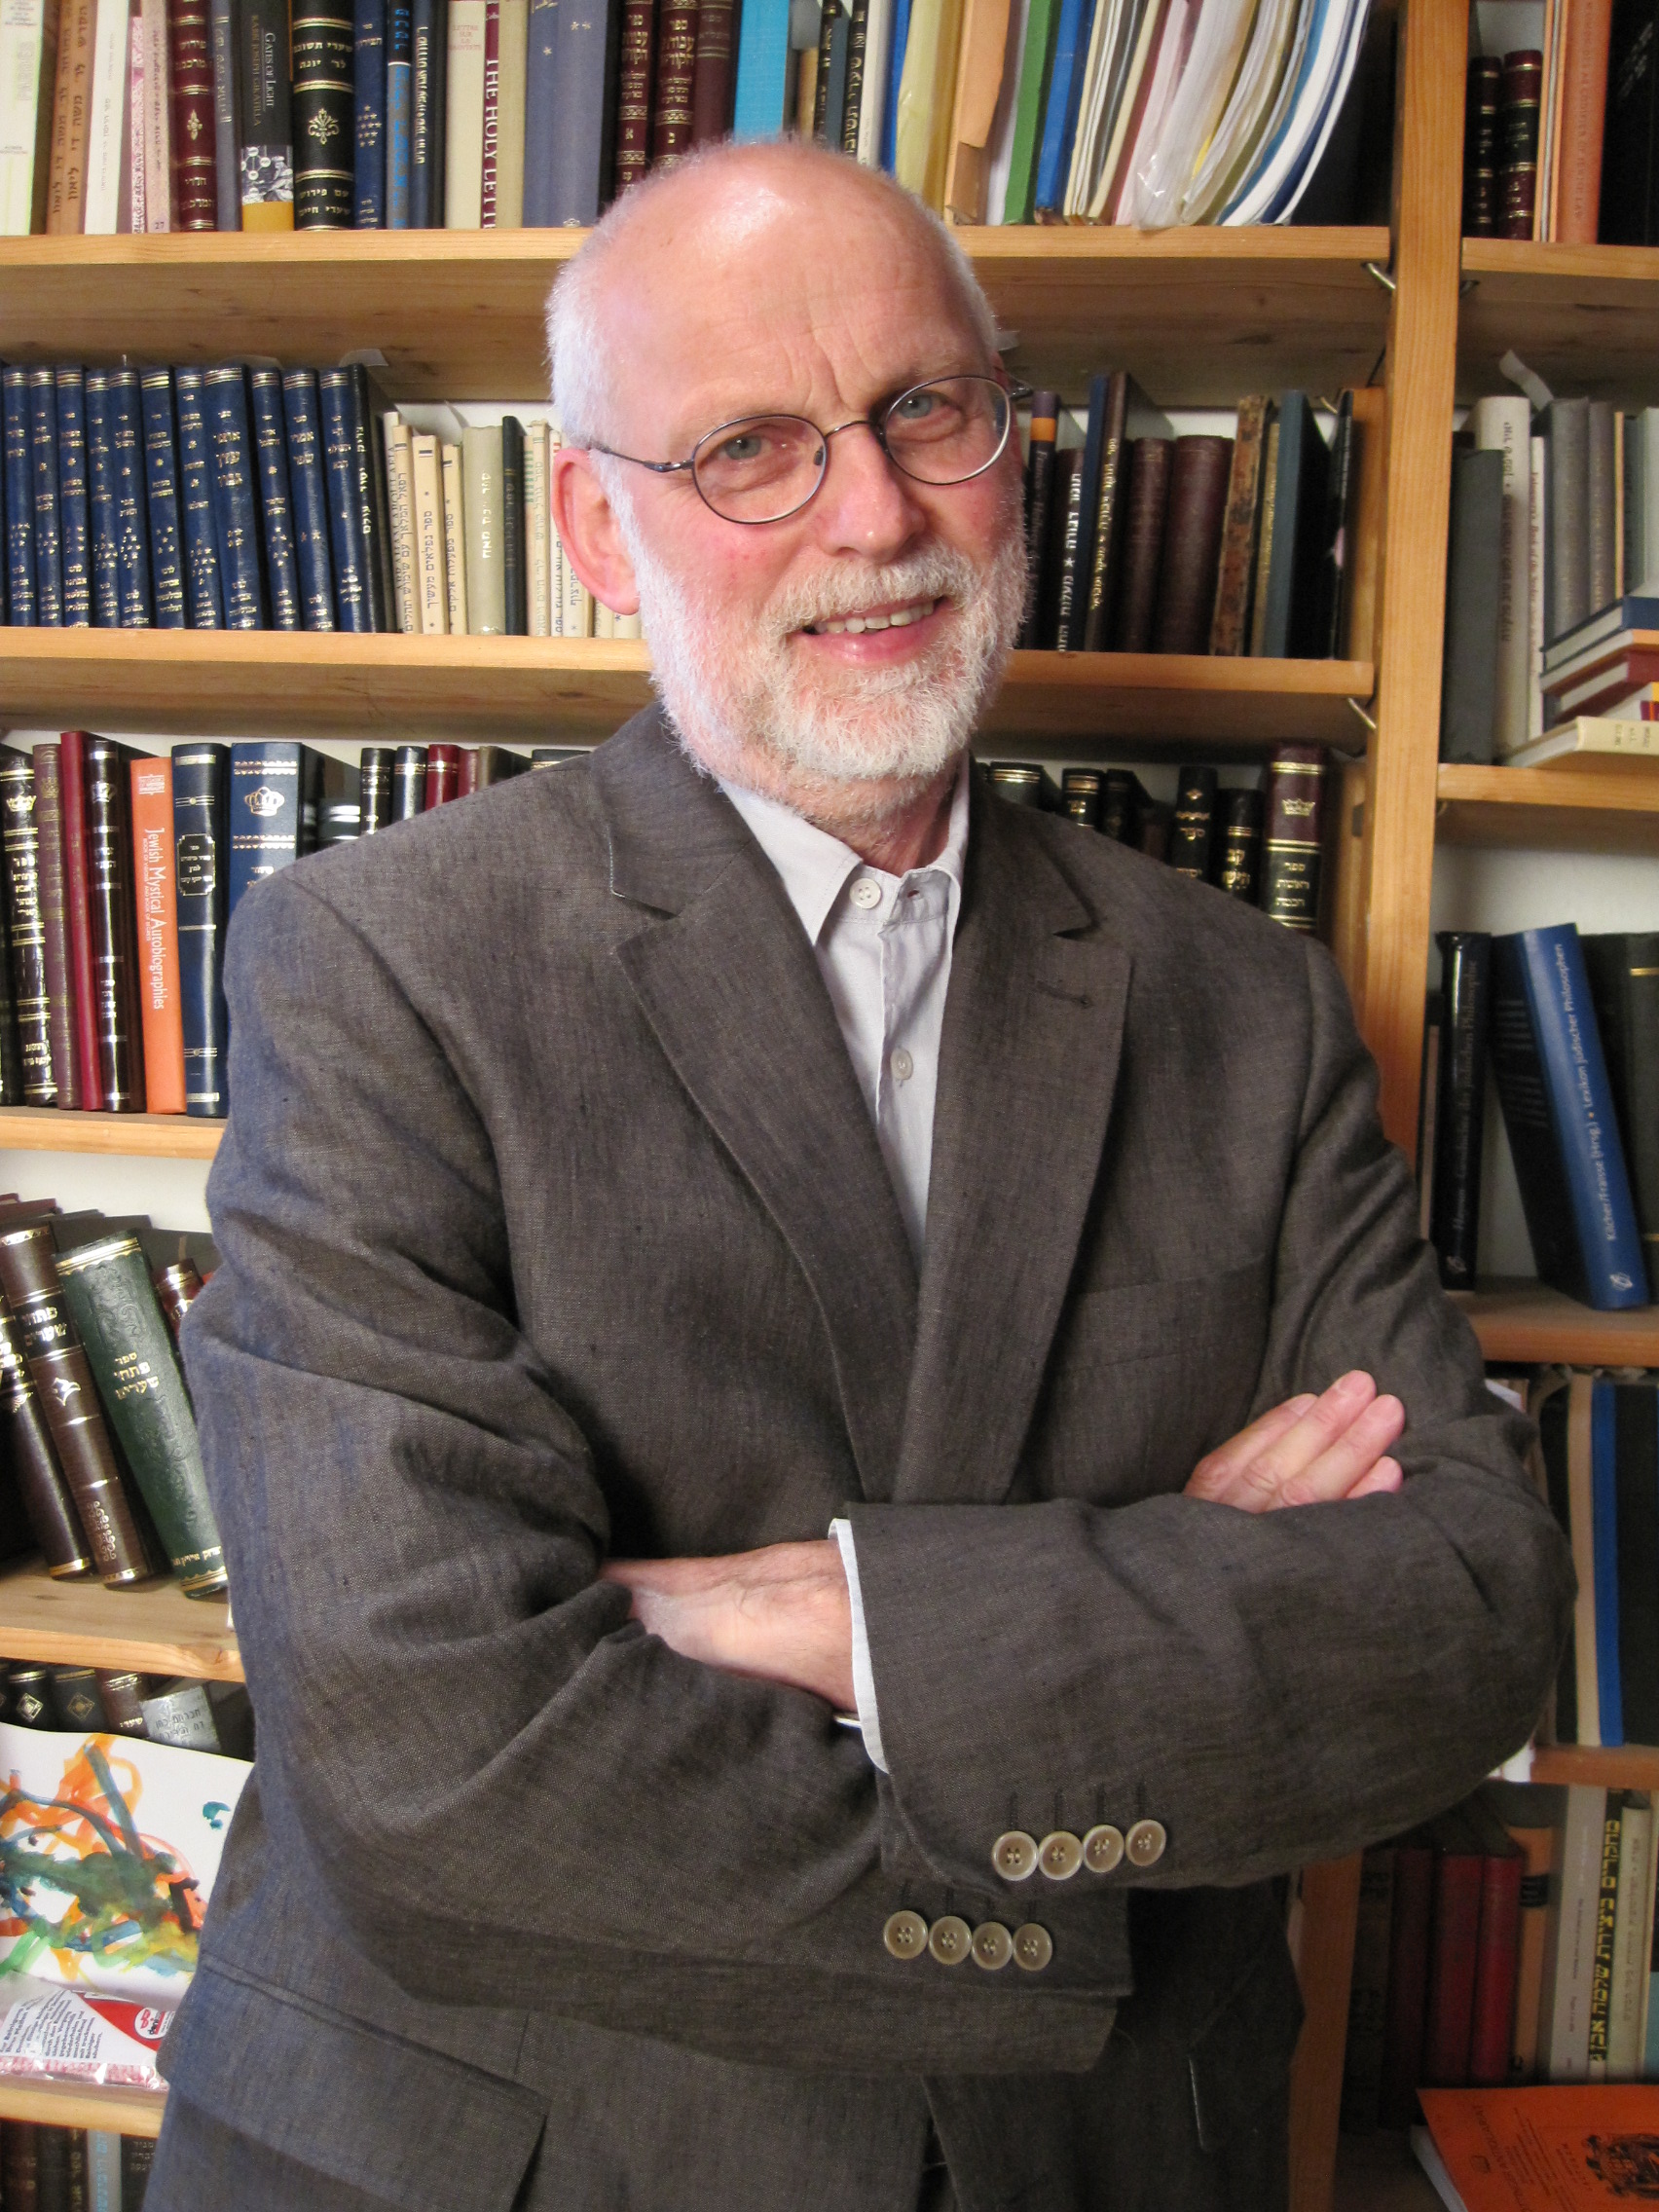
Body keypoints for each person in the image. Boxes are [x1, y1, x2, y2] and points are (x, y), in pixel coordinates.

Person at [148, 140, 1571, 2212]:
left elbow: (1468, 1619)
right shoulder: (378, 962)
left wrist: (833, 1616)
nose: (877, 515)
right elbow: (426, 1755)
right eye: (749, 447)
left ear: (1014, 440)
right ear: (599, 527)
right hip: (528, 2158)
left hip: (1099, 2162)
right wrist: (1155, 1607)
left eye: (927, 408)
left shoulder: (1244, 1001)